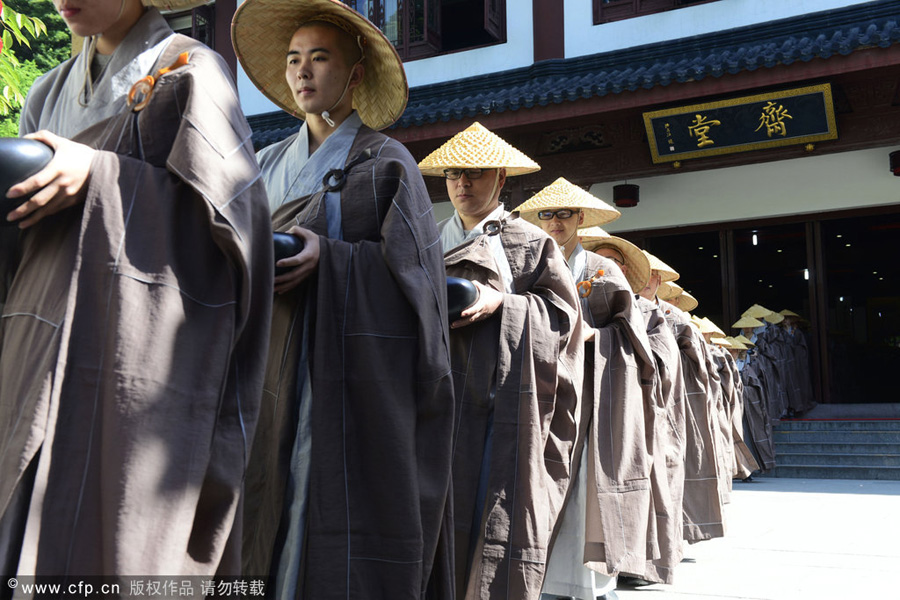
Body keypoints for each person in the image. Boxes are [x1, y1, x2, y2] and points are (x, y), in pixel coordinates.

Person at [0, 0, 273, 578]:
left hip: (132, 349)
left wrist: (100, 175)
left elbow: (234, 225)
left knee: (114, 533)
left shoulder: (191, 69)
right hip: (36, 336)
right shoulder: (46, 93)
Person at [231, 1, 455, 597]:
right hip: (262, 364)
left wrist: (332, 260)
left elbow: (420, 285)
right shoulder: (262, 164)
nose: (302, 72)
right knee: (256, 495)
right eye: (293, 60)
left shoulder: (387, 163)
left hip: (343, 377)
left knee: (323, 496)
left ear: (355, 75)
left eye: (320, 58)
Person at [418, 123, 583, 599]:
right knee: (428, 511)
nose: (462, 184)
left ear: (501, 179)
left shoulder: (529, 241)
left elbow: (563, 317)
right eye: (453, 175)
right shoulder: (428, 238)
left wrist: (504, 305)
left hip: (499, 402)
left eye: (474, 173)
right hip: (433, 394)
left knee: (493, 513)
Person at [514, 182, 651, 600]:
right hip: (540, 387)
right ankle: (538, 578)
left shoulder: (600, 270)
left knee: (582, 489)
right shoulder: (528, 263)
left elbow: (633, 336)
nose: (555, 222)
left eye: (564, 214)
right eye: (546, 214)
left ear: (580, 218)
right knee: (535, 482)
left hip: (590, 393)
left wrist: (597, 337)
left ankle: (587, 583)